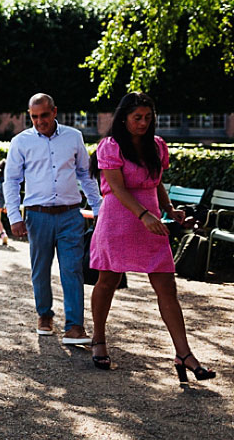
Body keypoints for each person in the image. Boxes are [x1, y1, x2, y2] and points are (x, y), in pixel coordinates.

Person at [88, 92, 216, 382]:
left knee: (167, 287)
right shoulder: (110, 146)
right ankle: (98, 339)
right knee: (108, 281)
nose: (143, 122)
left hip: (152, 223)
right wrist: (145, 215)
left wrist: (170, 209)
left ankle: (183, 353)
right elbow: (118, 189)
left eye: (148, 117)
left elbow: (156, 183)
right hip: (119, 221)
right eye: (137, 118)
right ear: (124, 118)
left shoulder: (157, 145)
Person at [3, 93, 102, 345]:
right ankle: (44, 315)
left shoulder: (73, 137)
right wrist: (14, 216)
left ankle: (75, 326)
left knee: (72, 269)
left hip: (70, 214)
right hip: (37, 216)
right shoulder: (20, 142)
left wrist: (99, 209)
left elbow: (85, 174)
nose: (39, 121)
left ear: (54, 112)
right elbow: (11, 181)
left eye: (44, 115)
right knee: (40, 271)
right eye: (34, 117)